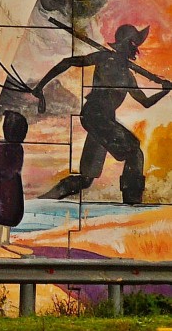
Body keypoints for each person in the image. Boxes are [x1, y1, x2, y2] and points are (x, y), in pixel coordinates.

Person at [32, 23, 171, 205]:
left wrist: (164, 91)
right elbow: (68, 62)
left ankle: (43, 201)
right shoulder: (104, 57)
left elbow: (144, 102)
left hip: (102, 121)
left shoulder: (128, 76)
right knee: (134, 151)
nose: (136, 50)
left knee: (86, 178)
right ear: (127, 43)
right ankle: (133, 203)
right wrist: (40, 86)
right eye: (134, 44)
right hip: (96, 116)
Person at [0, 110, 28, 246]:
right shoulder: (18, 148)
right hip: (13, 187)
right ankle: (5, 241)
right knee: (9, 213)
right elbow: (16, 168)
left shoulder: (0, 145)